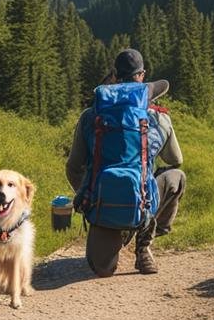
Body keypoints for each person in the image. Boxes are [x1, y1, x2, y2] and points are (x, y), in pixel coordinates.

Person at [66, 49, 185, 276]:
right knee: (175, 177)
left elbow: (73, 167)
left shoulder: (90, 116)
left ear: (114, 77)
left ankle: (117, 232)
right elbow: (175, 160)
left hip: (103, 209)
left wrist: (90, 196)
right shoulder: (158, 117)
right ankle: (144, 242)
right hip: (143, 203)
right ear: (142, 76)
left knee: (103, 269)